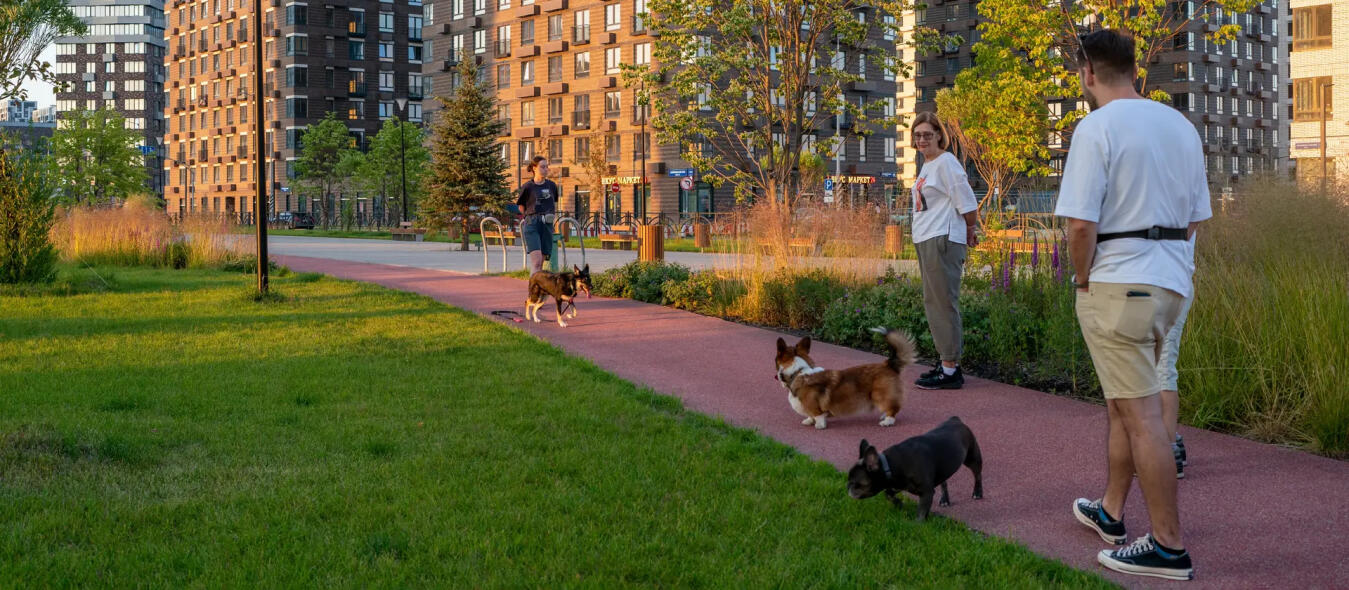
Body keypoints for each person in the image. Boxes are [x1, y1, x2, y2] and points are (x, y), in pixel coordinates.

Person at [1055, 30, 1209, 581]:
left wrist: (1081, 280)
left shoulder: (1096, 127)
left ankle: (1169, 546)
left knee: (1141, 418)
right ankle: (1111, 512)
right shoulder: (1180, 126)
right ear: (1134, 69)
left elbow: (1080, 225)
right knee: (1127, 402)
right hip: (1172, 282)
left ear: (1088, 73)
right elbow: (1195, 218)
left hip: (1120, 282)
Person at [909, 111, 980, 390]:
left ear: (939, 134)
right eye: (917, 135)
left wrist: (970, 230)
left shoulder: (946, 163)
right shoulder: (928, 166)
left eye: (927, 134)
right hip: (927, 238)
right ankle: (946, 361)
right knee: (933, 302)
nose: (922, 139)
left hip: (942, 239)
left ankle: (950, 370)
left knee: (942, 302)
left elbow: (967, 202)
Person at [515, 156, 560, 274]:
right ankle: (532, 291)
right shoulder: (528, 187)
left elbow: (553, 203)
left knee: (542, 263)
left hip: (547, 225)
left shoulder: (552, 185)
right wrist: (528, 217)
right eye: (542, 167)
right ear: (534, 168)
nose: (546, 169)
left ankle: (539, 290)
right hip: (532, 224)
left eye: (547, 167)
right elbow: (521, 206)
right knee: (536, 262)